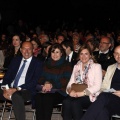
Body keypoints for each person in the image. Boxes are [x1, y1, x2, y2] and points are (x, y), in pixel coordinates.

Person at [0, 41, 43, 120]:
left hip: (26, 90)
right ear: (20, 50)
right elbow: (7, 76)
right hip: (10, 88)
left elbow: (34, 81)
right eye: (24, 49)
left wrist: (16, 89)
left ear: (33, 50)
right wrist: (5, 88)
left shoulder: (38, 63)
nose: (26, 52)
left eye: (29, 49)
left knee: (16, 95)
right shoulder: (15, 60)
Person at [62, 44, 102, 120]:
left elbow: (97, 86)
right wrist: (71, 91)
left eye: (86, 54)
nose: (84, 56)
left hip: (89, 94)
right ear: (79, 55)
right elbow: (70, 83)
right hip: (76, 93)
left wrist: (82, 93)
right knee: (66, 102)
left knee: (75, 103)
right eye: (81, 54)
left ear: (90, 55)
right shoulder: (76, 66)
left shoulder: (96, 66)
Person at [81, 45, 120, 120]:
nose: (119, 56)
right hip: (111, 99)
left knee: (104, 97)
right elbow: (104, 86)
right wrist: (104, 91)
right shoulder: (111, 68)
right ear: (114, 55)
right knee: (102, 111)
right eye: (117, 53)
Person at [35, 43, 72, 120]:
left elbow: (66, 80)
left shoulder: (66, 65)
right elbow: (40, 77)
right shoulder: (46, 64)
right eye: (53, 52)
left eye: (57, 52)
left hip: (60, 91)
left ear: (61, 53)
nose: (55, 54)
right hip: (46, 89)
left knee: (47, 98)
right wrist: (45, 83)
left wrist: (51, 85)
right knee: (38, 97)